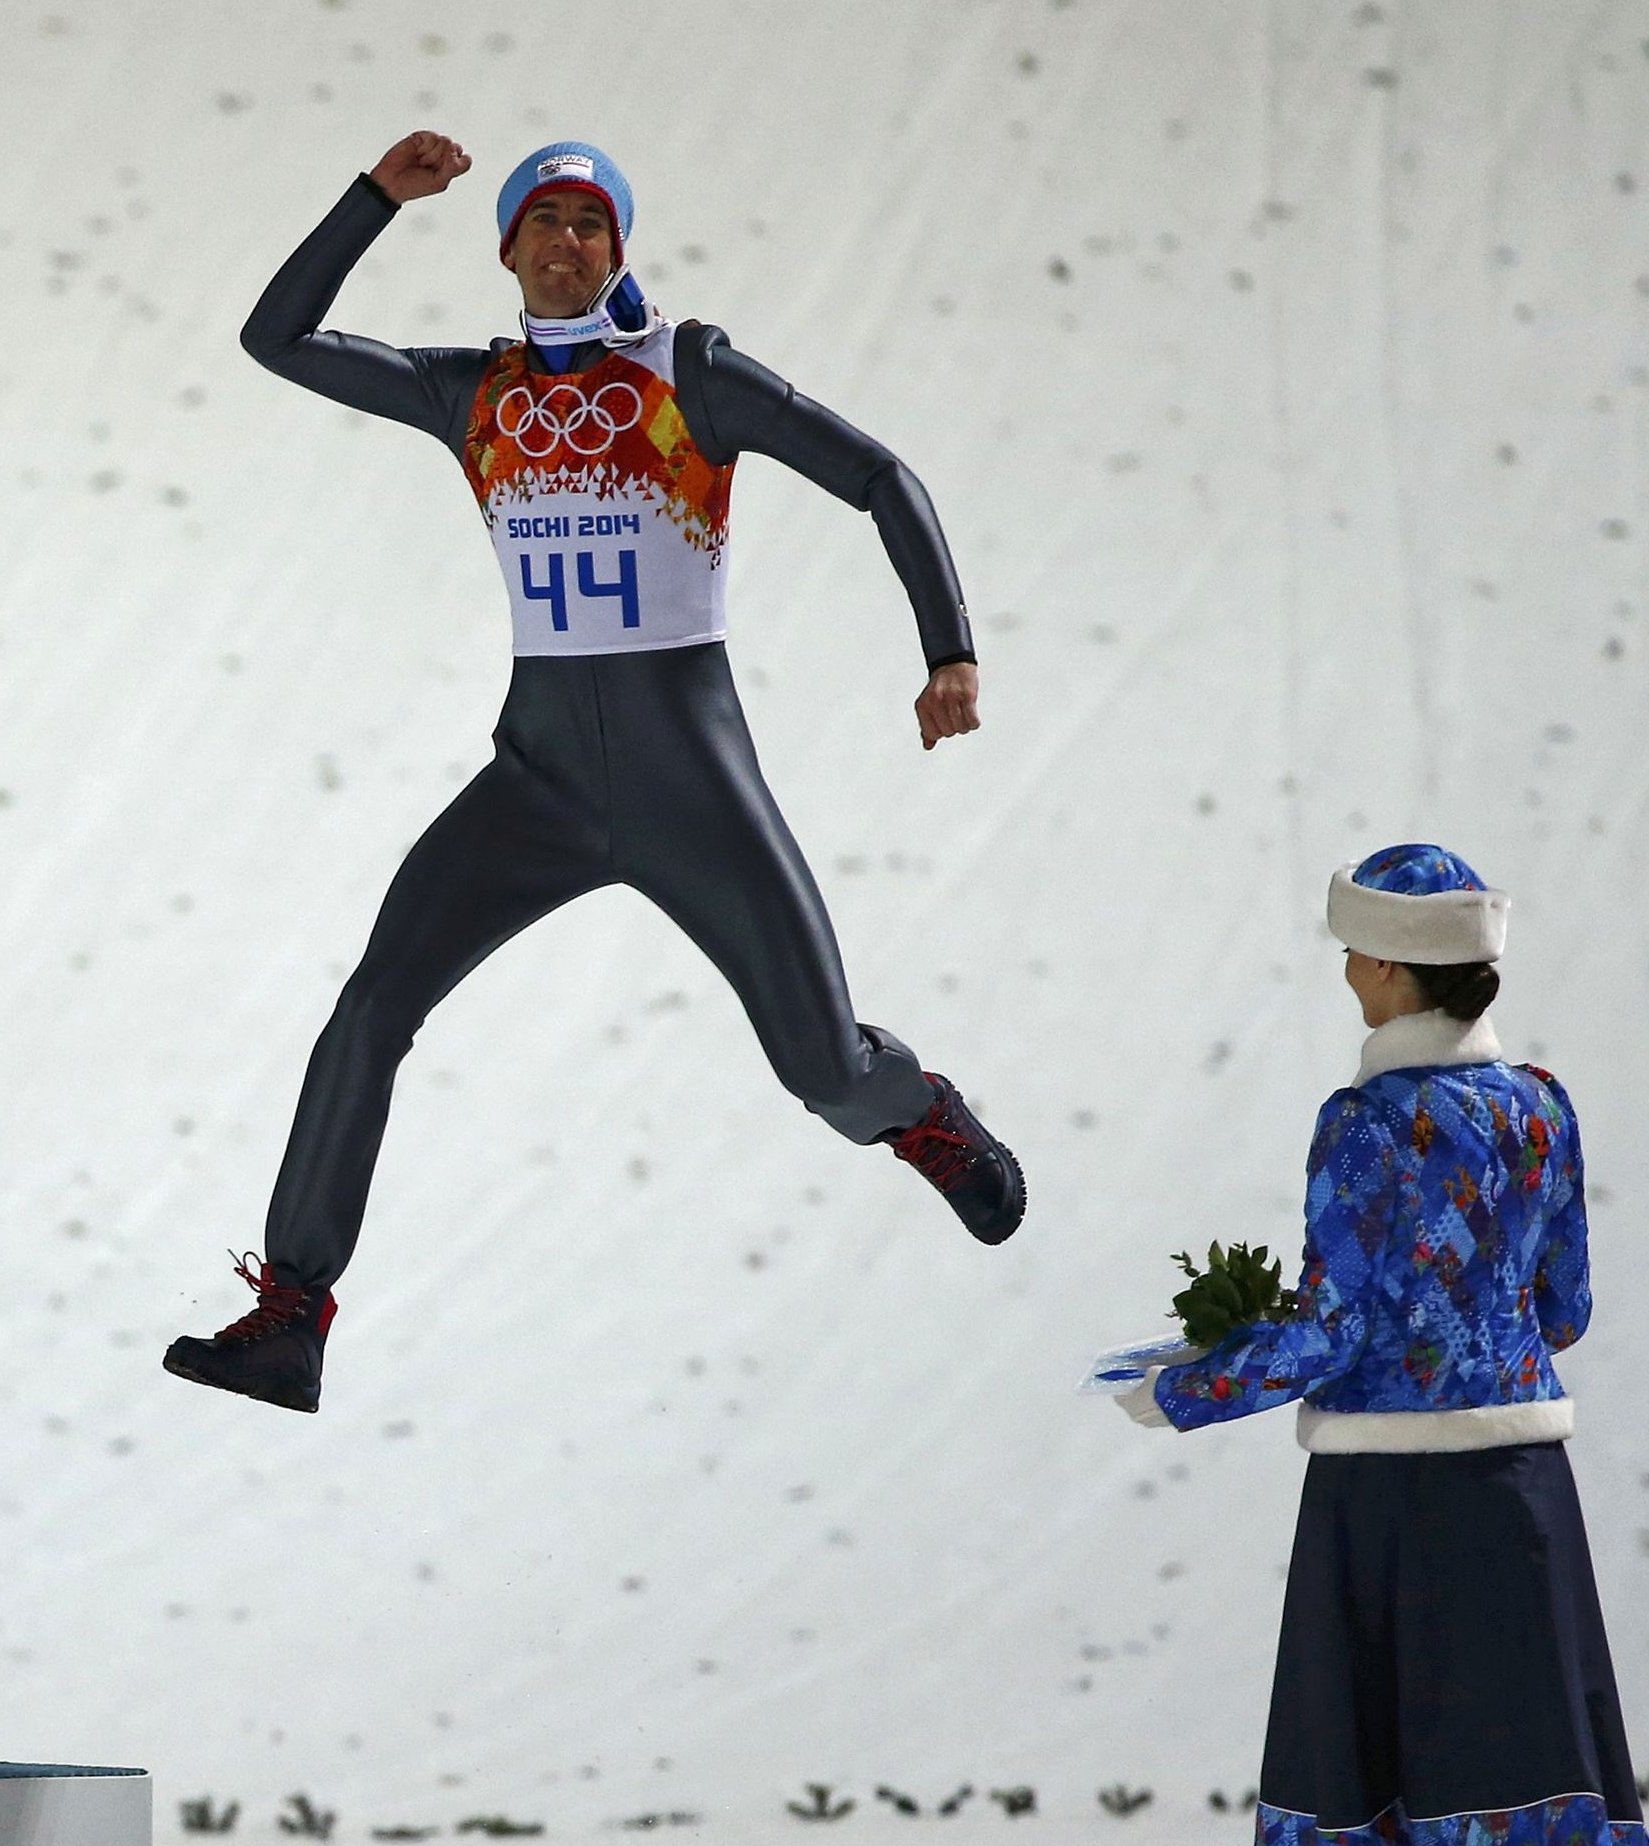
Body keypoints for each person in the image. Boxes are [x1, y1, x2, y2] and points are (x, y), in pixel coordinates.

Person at [166, 133, 1023, 1414]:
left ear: (619, 249)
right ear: (504, 244)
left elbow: (878, 475)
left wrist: (946, 649)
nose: (567, 243)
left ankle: (918, 1111)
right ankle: (292, 1313)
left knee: (819, 1067)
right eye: (543, 222)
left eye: (591, 225)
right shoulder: (476, 393)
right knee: (368, 1008)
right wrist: (370, 201)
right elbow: (274, 339)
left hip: (690, 781)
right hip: (540, 783)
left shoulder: (690, 373)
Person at [1113, 844, 1649, 1846]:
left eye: (1356, 951)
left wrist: (1184, 1387)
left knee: (1350, 1783)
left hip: (1382, 1497)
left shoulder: (1364, 1123)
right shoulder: (1542, 1106)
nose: (1346, 971)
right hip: (1519, 1481)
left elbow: (1342, 1326)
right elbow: (1564, 1308)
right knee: (1511, 1790)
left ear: (1400, 966)